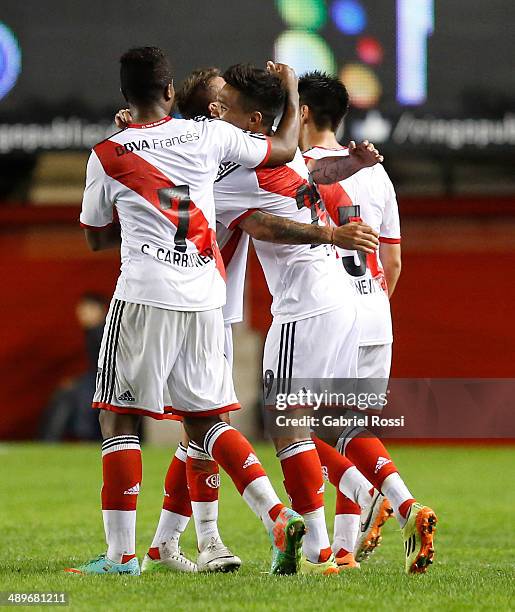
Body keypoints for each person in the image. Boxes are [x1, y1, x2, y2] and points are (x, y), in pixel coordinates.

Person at [114, 66, 383, 575]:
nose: (221, 107)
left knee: (215, 425)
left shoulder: (219, 156)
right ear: (201, 115)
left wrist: (131, 133)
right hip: (214, 299)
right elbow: (288, 165)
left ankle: (286, 520)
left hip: (205, 302)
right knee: (207, 425)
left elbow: (287, 173)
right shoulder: (216, 152)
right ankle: (180, 542)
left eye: (227, 100)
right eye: (216, 100)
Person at [66, 46, 314, 577]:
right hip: (206, 294)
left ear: (125, 98)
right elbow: (288, 147)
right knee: (205, 420)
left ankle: (121, 558)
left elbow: (92, 236)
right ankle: (275, 515)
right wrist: (291, 92)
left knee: (119, 416)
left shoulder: (109, 152)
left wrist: (136, 211)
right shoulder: (211, 135)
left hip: (145, 291)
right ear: (171, 91)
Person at [299, 70, 437, 574]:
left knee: (295, 428)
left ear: (305, 113)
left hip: (330, 314)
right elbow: (394, 261)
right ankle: (344, 550)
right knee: (348, 426)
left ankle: (397, 501)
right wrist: (372, 305)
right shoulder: (377, 173)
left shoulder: (301, 169)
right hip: (377, 309)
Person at [39, 293, 106, 442]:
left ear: (99, 310)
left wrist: (80, 382)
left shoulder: (101, 333)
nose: (81, 314)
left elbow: (104, 368)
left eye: (86, 310)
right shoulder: (93, 332)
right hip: (97, 379)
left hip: (104, 381)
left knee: (79, 394)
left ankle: (74, 436)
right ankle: (51, 438)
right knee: (67, 393)